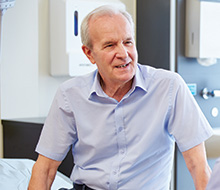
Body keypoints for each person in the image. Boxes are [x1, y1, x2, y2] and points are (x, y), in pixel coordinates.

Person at [28, 5, 213, 190]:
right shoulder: (69, 95)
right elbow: (45, 169)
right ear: (89, 54)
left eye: (128, 42)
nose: (124, 54)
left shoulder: (170, 87)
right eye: (110, 45)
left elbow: (198, 166)